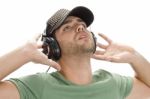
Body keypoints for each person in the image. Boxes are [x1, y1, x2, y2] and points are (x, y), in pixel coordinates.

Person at [0, 6, 150, 99]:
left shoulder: (112, 83)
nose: (80, 27)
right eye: (67, 27)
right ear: (52, 45)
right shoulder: (37, 86)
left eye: (82, 25)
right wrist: (23, 54)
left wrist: (135, 57)